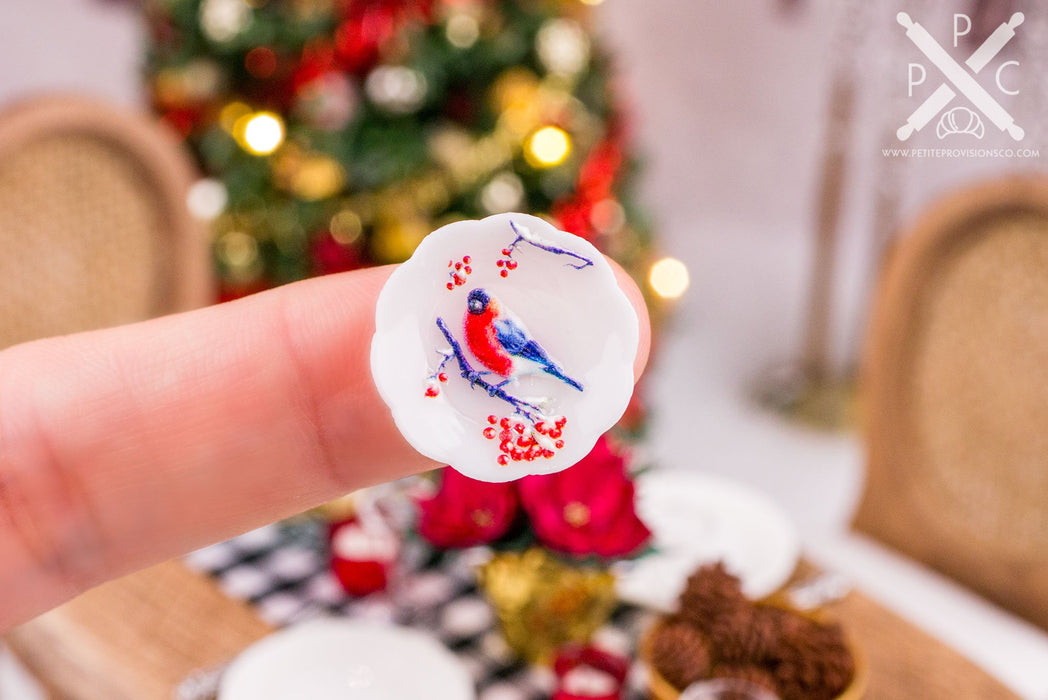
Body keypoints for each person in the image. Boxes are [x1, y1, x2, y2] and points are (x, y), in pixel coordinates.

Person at [0, 263, 649, 631]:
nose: (480, 307)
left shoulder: (501, 326)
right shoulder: (475, 320)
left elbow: (517, 354)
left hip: (512, 376)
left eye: (480, 303)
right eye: (476, 302)